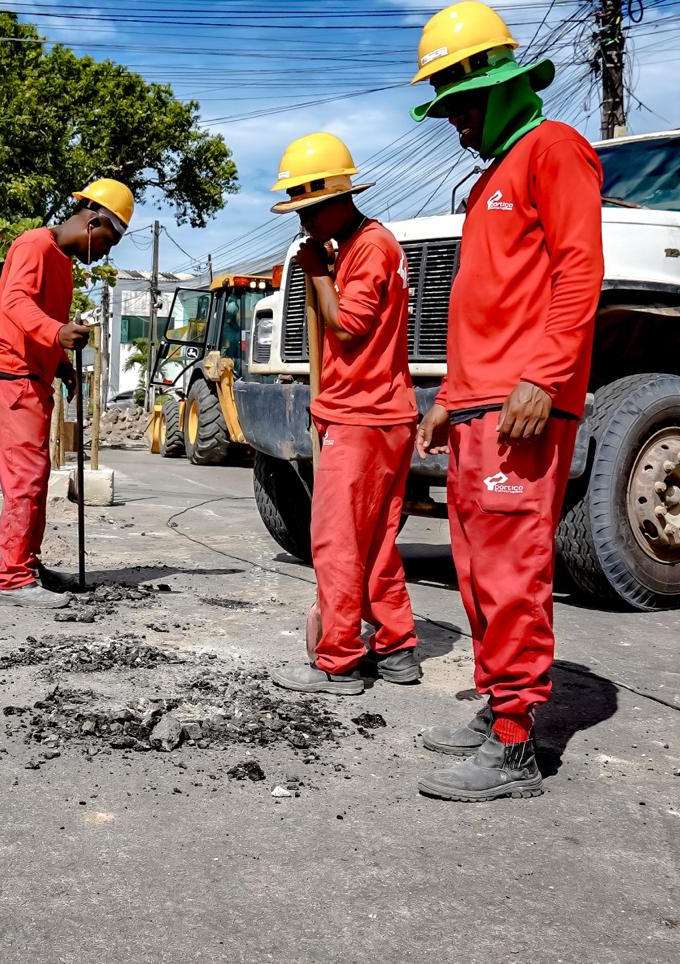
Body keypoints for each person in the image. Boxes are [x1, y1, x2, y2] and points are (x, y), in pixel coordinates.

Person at [410, 2, 604, 802]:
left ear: (493, 88)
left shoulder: (553, 151)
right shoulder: (493, 175)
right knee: (477, 569)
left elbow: (579, 271)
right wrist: (448, 399)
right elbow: (483, 305)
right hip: (478, 406)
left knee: (513, 569)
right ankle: (498, 710)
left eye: (458, 105)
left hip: (521, 403)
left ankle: (519, 748)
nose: (454, 123)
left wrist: (544, 374)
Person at [265, 132, 422, 697]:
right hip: (378, 413)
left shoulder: (368, 249)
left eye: (308, 211)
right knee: (375, 541)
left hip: (363, 416)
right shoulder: (361, 245)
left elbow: (349, 324)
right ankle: (398, 646)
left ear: (335, 198)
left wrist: (318, 272)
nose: (303, 224)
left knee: (335, 540)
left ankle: (338, 660)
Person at [0, 179, 133, 608]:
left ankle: (25, 563)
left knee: (37, 476)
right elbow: (14, 304)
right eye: (108, 241)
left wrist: (63, 364)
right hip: (11, 376)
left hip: (31, 376)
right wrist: (57, 332)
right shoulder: (34, 245)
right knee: (25, 479)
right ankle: (13, 578)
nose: (105, 252)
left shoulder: (61, 263)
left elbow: (39, 320)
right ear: (94, 221)